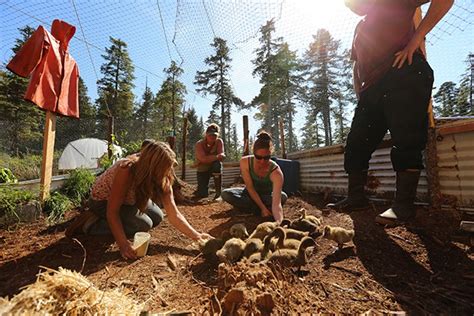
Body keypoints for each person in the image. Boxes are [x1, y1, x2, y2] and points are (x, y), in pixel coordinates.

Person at [327, 0, 453, 226]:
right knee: (356, 143)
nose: (350, 6)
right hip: (372, 88)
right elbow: (357, 65)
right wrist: (360, 92)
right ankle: (356, 197)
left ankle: (403, 206)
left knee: (406, 139)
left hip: (404, 71)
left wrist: (416, 40)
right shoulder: (360, 28)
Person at [66, 140, 211, 260]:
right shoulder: (126, 169)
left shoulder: (163, 175)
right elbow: (112, 211)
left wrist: (196, 236)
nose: (168, 172)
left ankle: (123, 219)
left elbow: (174, 214)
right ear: (152, 167)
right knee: (143, 224)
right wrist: (123, 244)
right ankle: (90, 223)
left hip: (129, 200)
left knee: (157, 216)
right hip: (102, 202)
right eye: (165, 168)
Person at [221, 131, 287, 223]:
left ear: (270, 154)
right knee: (226, 194)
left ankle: (248, 208)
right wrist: (263, 208)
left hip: (266, 195)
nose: (262, 161)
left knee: (283, 196)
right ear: (253, 153)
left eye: (266, 157)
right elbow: (250, 188)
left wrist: (280, 223)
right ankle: (258, 209)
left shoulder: (276, 172)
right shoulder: (245, 162)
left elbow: (276, 204)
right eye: (259, 157)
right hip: (249, 193)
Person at [194, 123, 225, 199]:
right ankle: (202, 190)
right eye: (210, 135)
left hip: (214, 167)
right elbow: (203, 159)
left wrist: (212, 158)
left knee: (217, 165)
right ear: (206, 135)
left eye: (214, 135)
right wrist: (217, 156)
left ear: (217, 135)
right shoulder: (199, 144)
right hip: (202, 169)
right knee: (202, 194)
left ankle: (218, 193)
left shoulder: (219, 142)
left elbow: (222, 155)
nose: (212, 137)